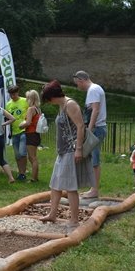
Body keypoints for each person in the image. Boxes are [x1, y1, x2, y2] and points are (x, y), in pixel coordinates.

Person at [38, 80, 94, 231]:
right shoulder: (62, 105)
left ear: (53, 96)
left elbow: (81, 126)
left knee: (70, 187)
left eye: (48, 99)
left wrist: (79, 149)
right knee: (55, 185)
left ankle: (74, 220)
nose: (49, 102)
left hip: (71, 149)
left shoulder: (70, 104)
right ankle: (52, 214)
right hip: (63, 150)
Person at [73, 70, 107, 199]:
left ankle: (94, 190)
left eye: (77, 84)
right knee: (92, 159)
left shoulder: (93, 90)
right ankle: (93, 188)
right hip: (97, 128)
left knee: (94, 160)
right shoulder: (95, 89)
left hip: (97, 128)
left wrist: (90, 129)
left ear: (81, 80)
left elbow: (95, 110)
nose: (78, 87)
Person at [5, 85, 29, 181]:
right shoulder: (8, 104)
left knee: (22, 152)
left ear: (18, 92)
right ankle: (20, 173)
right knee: (17, 154)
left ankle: (23, 172)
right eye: (11, 94)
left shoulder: (25, 101)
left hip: (24, 130)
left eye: (14, 94)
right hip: (14, 132)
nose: (13, 96)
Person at [19, 89, 42, 182]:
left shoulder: (31, 109)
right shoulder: (38, 109)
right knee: (33, 157)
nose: (25, 100)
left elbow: (28, 122)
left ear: (30, 99)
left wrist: (21, 125)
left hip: (31, 134)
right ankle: (35, 177)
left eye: (27, 98)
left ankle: (33, 178)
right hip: (36, 134)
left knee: (32, 157)